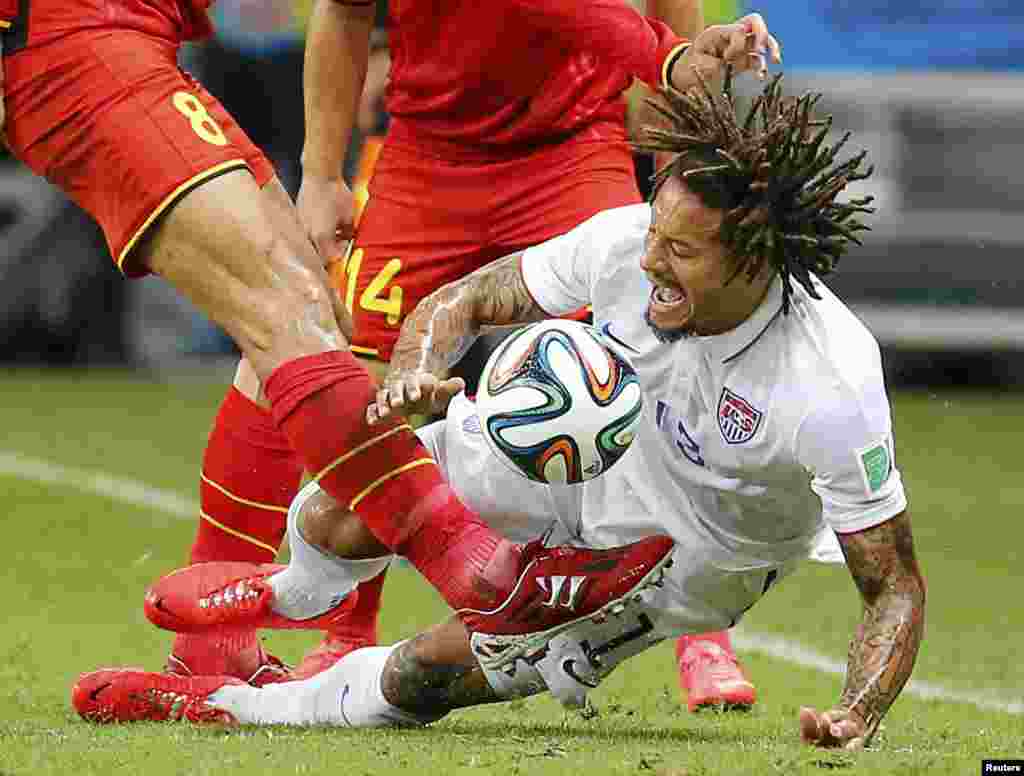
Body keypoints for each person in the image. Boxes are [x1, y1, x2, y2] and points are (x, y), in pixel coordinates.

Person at [72, 74, 926, 750]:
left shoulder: (831, 378)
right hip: (580, 446)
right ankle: (288, 593)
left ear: (755, 259)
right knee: (360, 497)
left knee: (429, 676)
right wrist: (413, 375)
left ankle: (221, 706)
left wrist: (859, 710)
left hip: (688, 554)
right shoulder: (628, 244)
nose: (652, 261)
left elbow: (891, 587)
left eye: (683, 252)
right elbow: (470, 299)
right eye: (656, 234)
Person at [0, 1, 773, 681]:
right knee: (306, 328)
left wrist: (680, 126)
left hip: (568, 153)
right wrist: (324, 170)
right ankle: (455, 586)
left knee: (301, 308)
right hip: (410, 153)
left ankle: (686, 626)